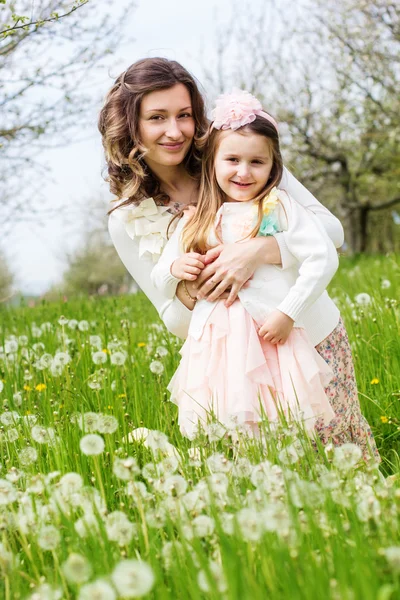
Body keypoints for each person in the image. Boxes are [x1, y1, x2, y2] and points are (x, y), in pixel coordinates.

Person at [99, 58, 380, 461]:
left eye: (185, 115)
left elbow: (331, 232)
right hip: (234, 365)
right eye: (157, 117)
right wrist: (191, 289)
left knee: (338, 461)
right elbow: (171, 318)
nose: (175, 131)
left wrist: (257, 251)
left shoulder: (237, 154)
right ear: (131, 125)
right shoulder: (127, 219)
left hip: (306, 332)